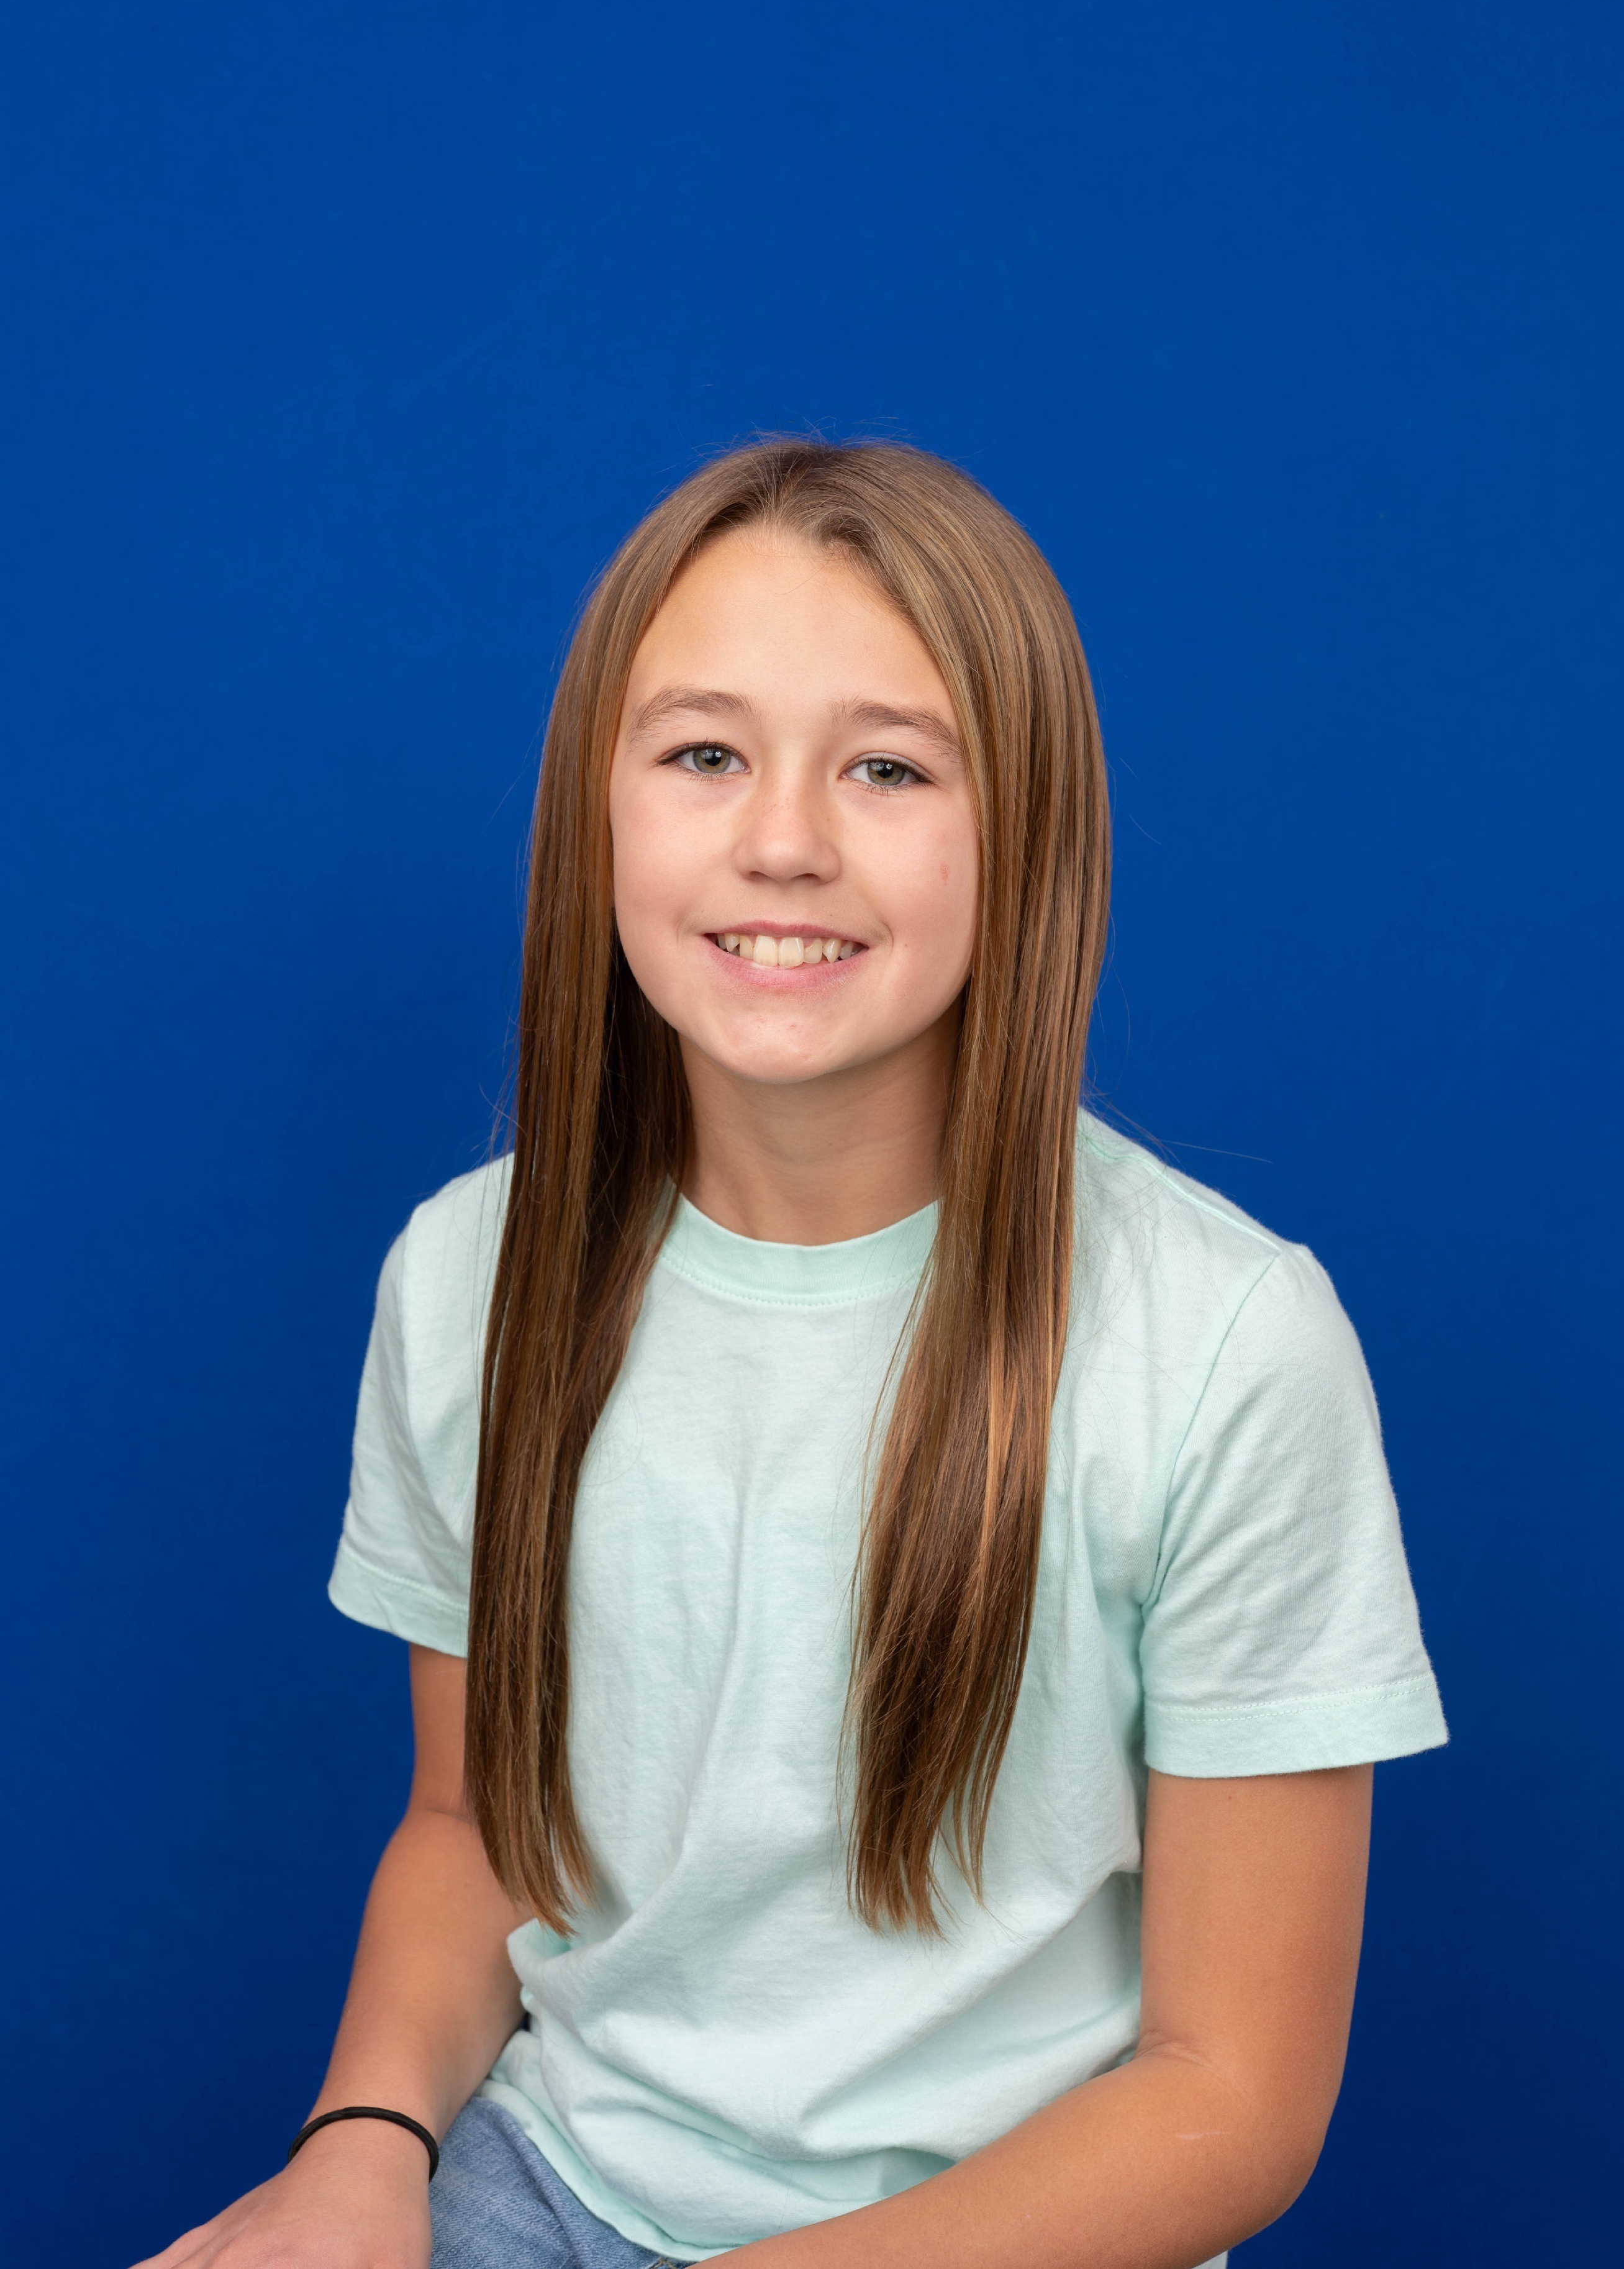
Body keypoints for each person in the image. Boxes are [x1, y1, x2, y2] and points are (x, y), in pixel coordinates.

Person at [138, 438, 1445, 2269]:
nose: (783, 840)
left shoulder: (1227, 1346)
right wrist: (359, 2148)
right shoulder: (466, 1277)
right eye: (704, 754)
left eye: (888, 767)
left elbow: (1231, 2096)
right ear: (600, 808)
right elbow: (475, 1827)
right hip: (562, 2181)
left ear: (1027, 830)